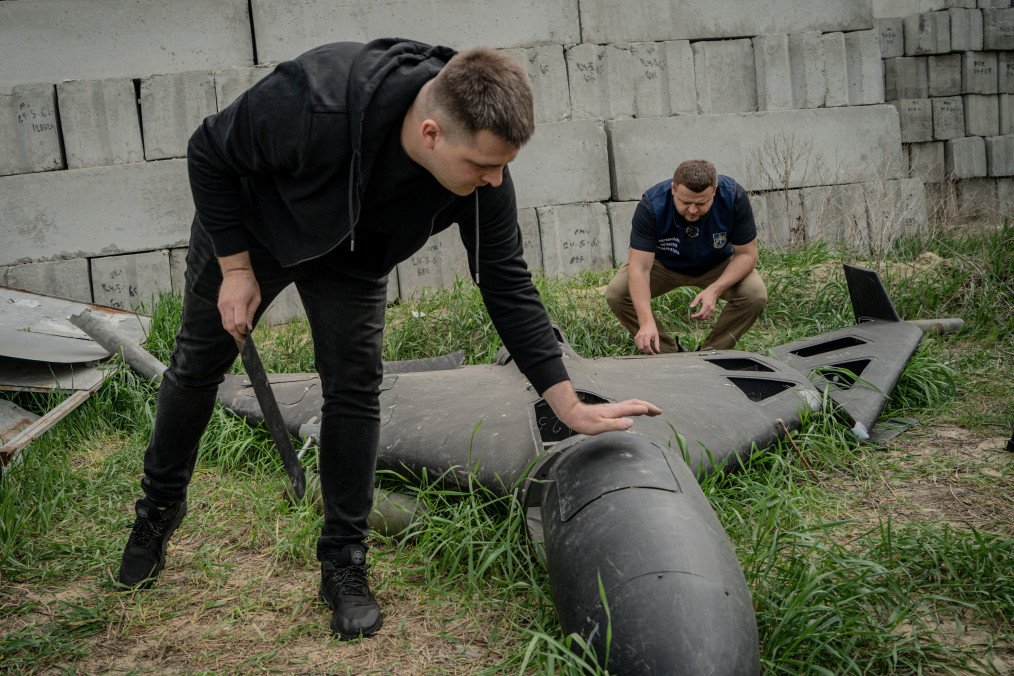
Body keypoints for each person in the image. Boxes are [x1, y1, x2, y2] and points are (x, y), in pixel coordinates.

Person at [116, 39, 661, 641]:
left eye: (503, 165)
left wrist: (567, 402)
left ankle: (343, 561)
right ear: (432, 134)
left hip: (353, 257)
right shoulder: (314, 101)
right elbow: (209, 151)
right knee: (196, 366)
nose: (496, 178)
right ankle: (157, 510)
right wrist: (236, 269)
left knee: (354, 389)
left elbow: (505, 283)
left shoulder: (484, 178)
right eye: (482, 165)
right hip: (255, 231)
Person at [605, 159, 766, 354]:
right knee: (617, 294)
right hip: (663, 265)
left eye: (701, 203)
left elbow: (747, 255)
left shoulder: (733, 197)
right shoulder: (651, 205)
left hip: (717, 265)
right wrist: (646, 322)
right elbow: (640, 268)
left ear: (714, 191)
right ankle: (667, 354)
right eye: (685, 202)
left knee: (754, 294)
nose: (692, 210)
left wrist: (715, 290)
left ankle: (711, 354)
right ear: (673, 189)